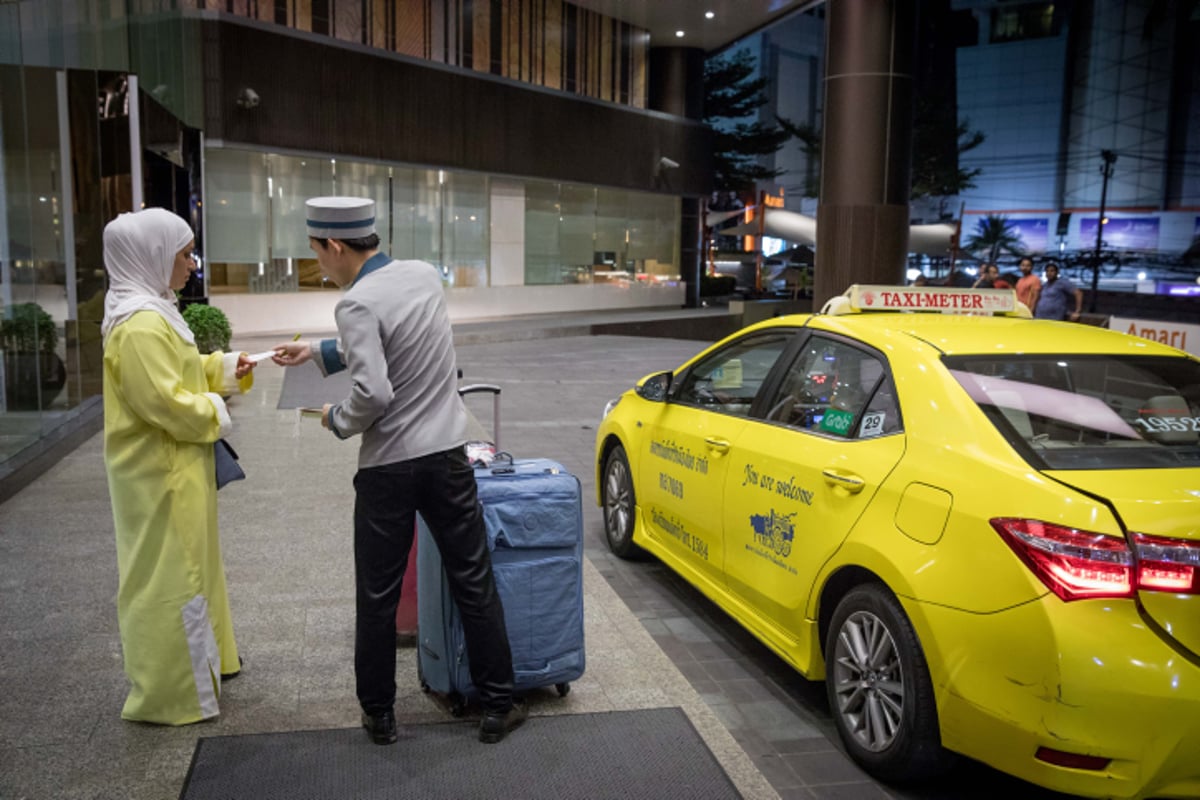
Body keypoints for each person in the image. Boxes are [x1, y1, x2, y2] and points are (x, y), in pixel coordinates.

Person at [271, 197, 525, 746]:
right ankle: (499, 704)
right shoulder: (422, 276)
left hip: (388, 467)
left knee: (378, 594)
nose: (319, 265)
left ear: (335, 246)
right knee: (472, 579)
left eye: (317, 253)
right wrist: (317, 354)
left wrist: (336, 420)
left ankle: (381, 714)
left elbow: (375, 389)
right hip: (447, 455)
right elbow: (400, 336)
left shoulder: (355, 303)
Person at [101, 208, 255, 725]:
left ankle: (207, 667)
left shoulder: (155, 310)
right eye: (183, 253)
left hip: (177, 471)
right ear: (151, 256)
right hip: (159, 477)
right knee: (171, 578)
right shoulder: (140, 326)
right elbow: (168, 403)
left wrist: (226, 368)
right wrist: (216, 408)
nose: (192, 263)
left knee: (196, 569)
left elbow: (183, 372)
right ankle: (173, 693)